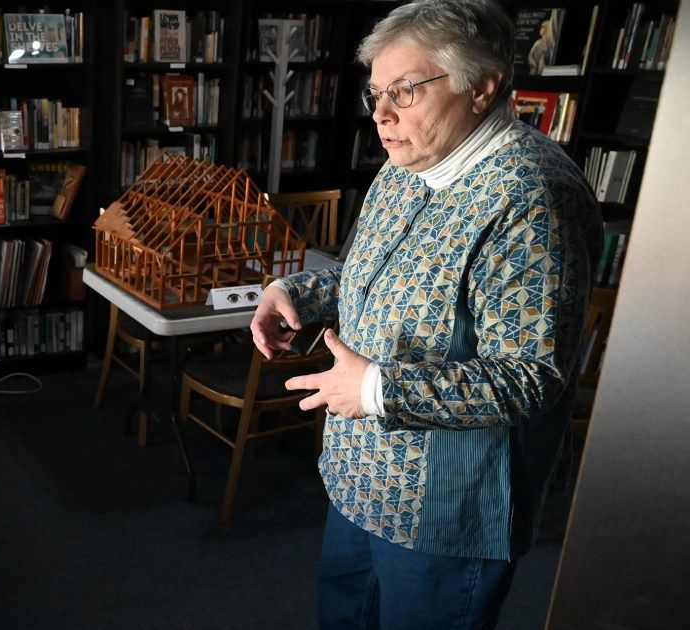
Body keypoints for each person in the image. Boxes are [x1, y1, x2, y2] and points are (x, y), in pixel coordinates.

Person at [248, 1, 601, 627]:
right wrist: (294, 294)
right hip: (360, 475)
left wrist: (375, 389)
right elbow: (372, 275)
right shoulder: (406, 164)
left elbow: (532, 376)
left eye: (405, 91)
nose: (381, 114)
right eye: (376, 93)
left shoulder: (534, 197)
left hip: (445, 510)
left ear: (481, 86)